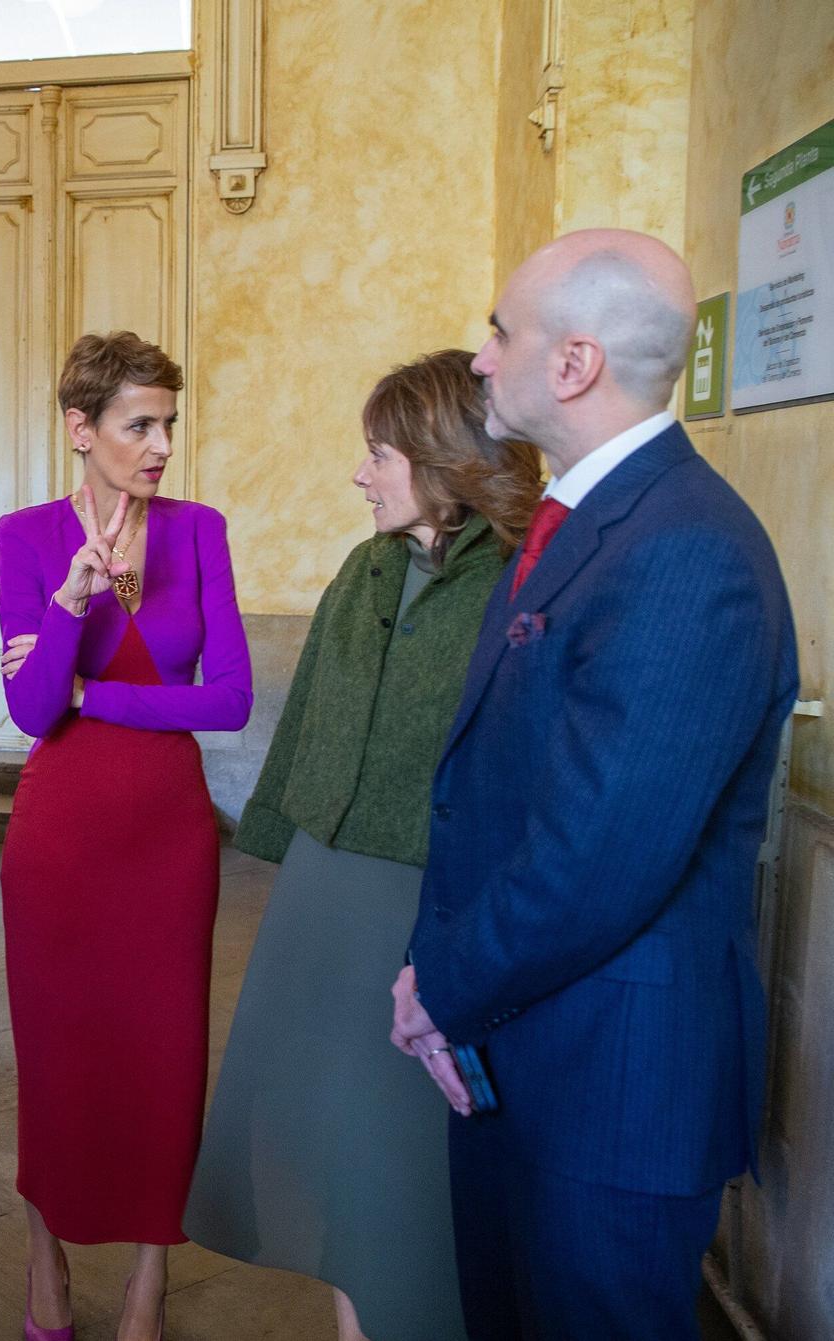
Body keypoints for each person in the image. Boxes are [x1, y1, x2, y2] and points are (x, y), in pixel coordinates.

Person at [391, 230, 798, 1340]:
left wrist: (440, 981)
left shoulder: (684, 551)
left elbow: (601, 853)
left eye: (499, 332)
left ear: (571, 364)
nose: (478, 359)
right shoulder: (591, 521)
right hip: (529, 1057)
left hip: (610, 1092)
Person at [181, 351, 542, 1341]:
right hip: (326, 895)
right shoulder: (367, 565)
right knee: (329, 1150)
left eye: (376, 452)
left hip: (426, 906)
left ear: (439, 457)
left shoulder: (520, 582)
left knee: (407, 1166)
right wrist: (274, 842)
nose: (359, 473)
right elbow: (308, 719)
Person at [0, 331, 252, 1341]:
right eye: (137, 425)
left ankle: (149, 1284)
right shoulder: (24, 535)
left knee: (163, 1058)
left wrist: (88, 687)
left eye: (166, 425)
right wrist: (67, 602)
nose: (158, 446)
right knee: (53, 1057)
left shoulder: (197, 530)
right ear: (79, 428)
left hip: (166, 839)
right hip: (58, 841)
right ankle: (44, 1260)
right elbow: (26, 712)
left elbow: (224, 701)